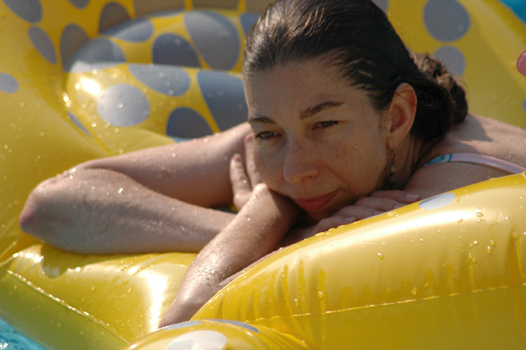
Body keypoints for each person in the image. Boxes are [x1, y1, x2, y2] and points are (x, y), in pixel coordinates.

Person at [19, 0, 526, 327]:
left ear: (396, 117)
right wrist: (272, 226)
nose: (294, 170)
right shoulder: (300, 128)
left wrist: (265, 212)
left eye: (324, 126)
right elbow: (53, 205)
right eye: (268, 133)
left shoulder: (455, 187)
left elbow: (188, 318)